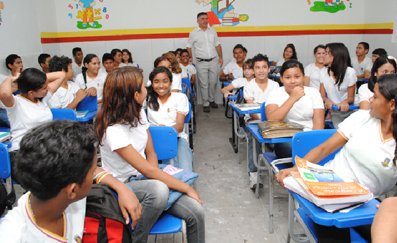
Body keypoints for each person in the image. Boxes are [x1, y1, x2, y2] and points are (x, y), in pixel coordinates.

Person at [276, 74, 397, 242]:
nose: (370, 99)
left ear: (392, 105)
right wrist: (296, 170)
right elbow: (323, 148)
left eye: (375, 96)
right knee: (334, 228)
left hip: (366, 202)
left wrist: (390, 207)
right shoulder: (362, 118)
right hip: (329, 189)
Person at [96, 66, 204, 242]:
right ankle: (135, 237)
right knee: (160, 190)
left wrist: (155, 177)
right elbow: (148, 171)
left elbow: (151, 151)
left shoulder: (137, 112)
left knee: (195, 210)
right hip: (125, 184)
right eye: (142, 86)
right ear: (134, 95)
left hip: (146, 178)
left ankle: (158, 203)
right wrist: (186, 188)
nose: (146, 88)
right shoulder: (112, 130)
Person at [0, 120, 142, 242]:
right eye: (92, 171)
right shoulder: (14, 236)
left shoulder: (53, 188)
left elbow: (97, 172)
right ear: (73, 190)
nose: (96, 171)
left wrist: (121, 187)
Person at [266, 60, 324, 158]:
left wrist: (314, 143)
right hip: (287, 139)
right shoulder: (274, 94)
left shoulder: (313, 93)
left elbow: (318, 123)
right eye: (288, 77)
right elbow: (271, 119)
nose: (293, 81)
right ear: (281, 78)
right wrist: (292, 98)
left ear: (303, 77)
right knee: (290, 149)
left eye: (297, 77)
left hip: (309, 137)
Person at [145, 67, 193, 171]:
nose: (161, 85)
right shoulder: (147, 98)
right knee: (150, 170)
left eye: (165, 81)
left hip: (177, 137)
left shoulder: (180, 98)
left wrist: (166, 131)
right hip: (153, 139)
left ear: (171, 83)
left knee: (185, 170)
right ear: (152, 84)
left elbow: (180, 126)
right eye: (156, 82)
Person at [243, 54, 280, 189]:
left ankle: (281, 170)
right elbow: (251, 110)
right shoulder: (249, 86)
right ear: (253, 70)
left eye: (264, 67)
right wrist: (263, 123)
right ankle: (253, 175)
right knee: (254, 141)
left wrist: (271, 122)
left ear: (269, 69)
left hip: (273, 120)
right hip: (255, 120)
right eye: (257, 68)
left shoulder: (275, 85)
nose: (261, 70)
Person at [187, 12, 223, 113]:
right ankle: (206, 103)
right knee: (204, 84)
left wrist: (221, 57)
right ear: (198, 21)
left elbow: (217, 44)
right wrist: (190, 57)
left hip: (213, 60)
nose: (205, 21)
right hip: (201, 62)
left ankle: (212, 100)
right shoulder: (193, 33)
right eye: (202, 19)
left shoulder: (212, 31)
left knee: (213, 82)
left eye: (206, 18)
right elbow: (188, 46)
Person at [320, 42, 357, 128]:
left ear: (335, 55)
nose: (323, 56)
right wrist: (326, 100)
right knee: (340, 130)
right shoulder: (323, 72)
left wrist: (345, 102)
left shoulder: (349, 72)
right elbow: (322, 95)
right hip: (335, 113)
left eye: (326, 53)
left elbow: (351, 98)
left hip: (351, 112)